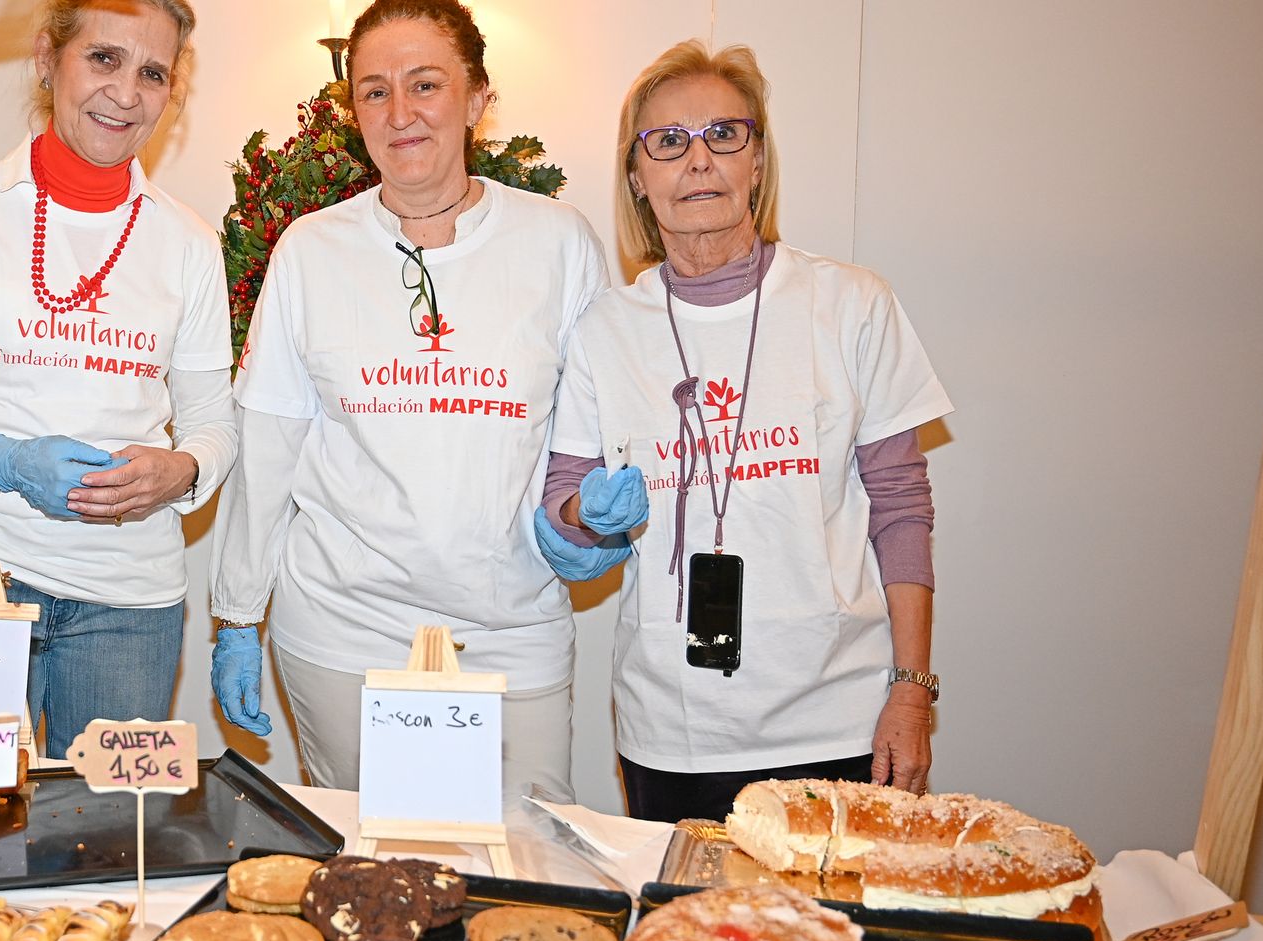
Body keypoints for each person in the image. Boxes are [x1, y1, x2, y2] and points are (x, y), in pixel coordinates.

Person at [538, 40, 952, 822]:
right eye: (668, 142)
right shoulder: (604, 328)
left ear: (757, 161)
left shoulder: (851, 305)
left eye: (724, 135)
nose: (698, 161)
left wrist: (911, 691)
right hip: (674, 731)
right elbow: (567, 508)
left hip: (836, 713)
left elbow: (902, 509)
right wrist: (584, 517)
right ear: (637, 175)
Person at [209, 0, 607, 802]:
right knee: (373, 869)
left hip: (512, 625)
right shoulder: (311, 252)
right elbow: (270, 442)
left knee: (525, 866)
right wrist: (237, 613)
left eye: (425, 84)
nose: (401, 113)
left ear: (478, 96)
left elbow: (593, 428)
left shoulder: (557, 243)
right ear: (352, 112)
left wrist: (593, 522)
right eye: (374, 92)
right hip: (345, 629)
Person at [0, 0, 233, 757]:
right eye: (103, 59)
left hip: (130, 604)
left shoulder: (189, 244)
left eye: (152, 72)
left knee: (112, 842)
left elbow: (214, 427)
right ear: (47, 59)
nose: (125, 94)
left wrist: (182, 471)